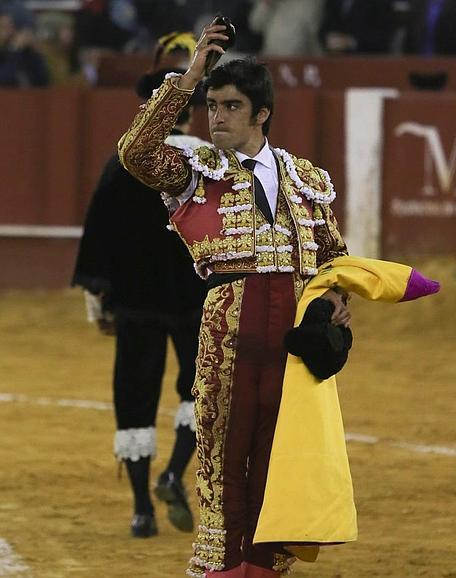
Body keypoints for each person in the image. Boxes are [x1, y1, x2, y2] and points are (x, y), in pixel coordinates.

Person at [118, 21, 355, 577]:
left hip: (293, 339)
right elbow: (134, 153)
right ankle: (220, 569)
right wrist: (188, 77)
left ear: (261, 114)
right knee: (222, 460)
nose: (214, 116)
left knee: (278, 459)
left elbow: (332, 256)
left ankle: (266, 567)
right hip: (227, 332)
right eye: (211, 105)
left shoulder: (305, 179)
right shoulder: (196, 172)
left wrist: (339, 299)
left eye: (228, 106)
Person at [72, 34, 208, 538]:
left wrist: (99, 300)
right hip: (196, 299)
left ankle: (140, 510)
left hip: (135, 302)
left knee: (135, 396)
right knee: (200, 387)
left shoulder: (122, 163)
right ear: (189, 112)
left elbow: (97, 239)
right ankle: (173, 472)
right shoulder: (208, 163)